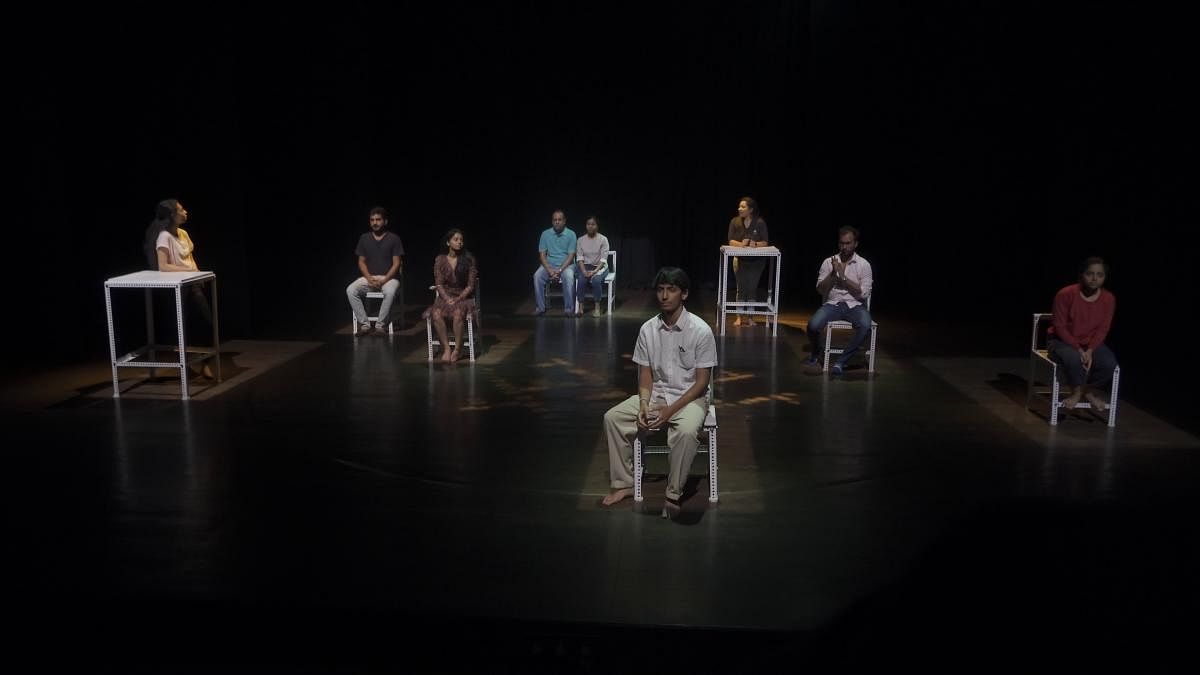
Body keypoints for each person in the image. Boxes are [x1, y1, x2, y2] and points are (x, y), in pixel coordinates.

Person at [602, 267, 718, 519]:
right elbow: (645, 374)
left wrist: (670, 411)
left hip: (691, 398)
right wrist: (644, 403)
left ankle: (673, 493)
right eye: (660, 289)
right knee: (613, 418)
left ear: (684, 294)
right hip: (657, 396)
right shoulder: (648, 329)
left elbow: (701, 383)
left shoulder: (700, 330)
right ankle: (624, 484)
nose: (664, 295)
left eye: (672, 290)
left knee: (686, 433)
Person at [142, 198, 214, 377]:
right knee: (182, 327)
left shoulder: (183, 233)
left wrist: (196, 271)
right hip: (177, 287)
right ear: (172, 215)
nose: (185, 212)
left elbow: (189, 257)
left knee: (206, 322)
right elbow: (163, 266)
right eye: (181, 210)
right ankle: (185, 367)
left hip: (193, 284)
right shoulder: (164, 236)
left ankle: (205, 363)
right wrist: (189, 270)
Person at [1048, 257, 1117, 411]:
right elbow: (1059, 326)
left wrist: (1091, 350)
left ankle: (1089, 391)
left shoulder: (1108, 299)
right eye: (1090, 274)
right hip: (1061, 341)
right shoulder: (1066, 294)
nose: (1094, 278)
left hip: (1090, 343)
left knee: (1108, 363)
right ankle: (1077, 392)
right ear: (1081, 275)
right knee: (1074, 358)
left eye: (1100, 275)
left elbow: (1103, 329)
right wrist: (1079, 350)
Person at [804, 226, 873, 376]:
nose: (844, 247)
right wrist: (833, 274)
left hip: (855, 305)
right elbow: (820, 290)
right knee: (812, 325)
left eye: (848, 243)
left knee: (866, 326)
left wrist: (843, 277)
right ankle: (816, 352)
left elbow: (864, 293)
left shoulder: (864, 264)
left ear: (855, 244)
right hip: (832, 304)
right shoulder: (828, 262)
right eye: (842, 243)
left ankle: (841, 361)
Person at [346, 206, 404, 336]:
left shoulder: (394, 238)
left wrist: (384, 280)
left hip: (389, 278)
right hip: (370, 277)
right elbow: (361, 261)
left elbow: (396, 263)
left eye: (378, 220)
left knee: (389, 291)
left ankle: (380, 326)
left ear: (385, 221)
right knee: (351, 290)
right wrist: (369, 278)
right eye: (372, 220)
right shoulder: (364, 238)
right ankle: (365, 325)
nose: (375, 223)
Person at [424, 228, 478, 363]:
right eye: (456, 239)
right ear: (448, 243)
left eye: (461, 240)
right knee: (436, 313)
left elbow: (471, 285)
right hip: (445, 297)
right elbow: (439, 284)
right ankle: (447, 348)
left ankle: (458, 350)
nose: (459, 242)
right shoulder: (440, 259)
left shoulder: (468, 259)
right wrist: (447, 299)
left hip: (463, 297)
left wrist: (458, 299)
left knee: (458, 313)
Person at [726, 196, 769, 327]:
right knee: (741, 288)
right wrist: (741, 244)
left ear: (750, 209)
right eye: (739, 206)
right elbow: (730, 240)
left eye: (743, 207)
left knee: (751, 288)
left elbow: (765, 242)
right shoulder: (735, 221)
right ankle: (739, 316)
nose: (740, 209)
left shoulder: (759, 222)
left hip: (756, 262)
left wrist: (755, 243)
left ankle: (750, 317)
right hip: (739, 260)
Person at [532, 209, 577, 316]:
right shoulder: (545, 234)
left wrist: (559, 270)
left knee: (569, 276)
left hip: (567, 265)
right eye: (554, 220)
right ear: (552, 221)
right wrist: (550, 271)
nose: (557, 222)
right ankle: (540, 308)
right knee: (537, 276)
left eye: (559, 219)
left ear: (564, 221)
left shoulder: (571, 234)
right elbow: (542, 255)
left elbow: (571, 256)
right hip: (549, 265)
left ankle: (569, 309)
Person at [575, 216, 610, 317]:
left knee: (595, 280)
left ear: (597, 226)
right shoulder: (580, 240)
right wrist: (584, 271)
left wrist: (595, 271)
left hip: (600, 267)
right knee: (581, 280)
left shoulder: (603, 239)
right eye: (588, 224)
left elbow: (603, 259)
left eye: (593, 224)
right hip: (585, 266)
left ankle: (597, 308)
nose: (590, 226)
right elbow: (580, 258)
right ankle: (581, 308)